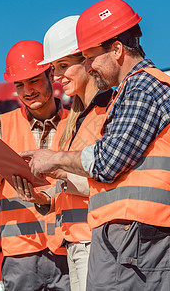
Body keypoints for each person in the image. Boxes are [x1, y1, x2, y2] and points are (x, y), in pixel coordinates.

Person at [22, 0, 170, 290]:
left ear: (116, 49)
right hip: (132, 233)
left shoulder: (144, 87)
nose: (88, 67)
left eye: (90, 57)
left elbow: (107, 162)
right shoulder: (132, 90)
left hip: (136, 234)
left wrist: (55, 160)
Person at [0, 40, 70, 291]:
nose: (27, 91)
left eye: (34, 80)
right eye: (19, 84)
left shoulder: (76, 122)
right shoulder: (1, 127)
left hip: (69, 246)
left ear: (51, 74)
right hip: (21, 254)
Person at [25, 15, 113, 291]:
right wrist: (42, 196)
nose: (56, 76)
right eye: (53, 68)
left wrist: (60, 169)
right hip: (75, 242)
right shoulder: (76, 119)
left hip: (99, 242)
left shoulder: (108, 113)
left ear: (88, 61)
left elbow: (113, 182)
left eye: (63, 65)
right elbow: (77, 184)